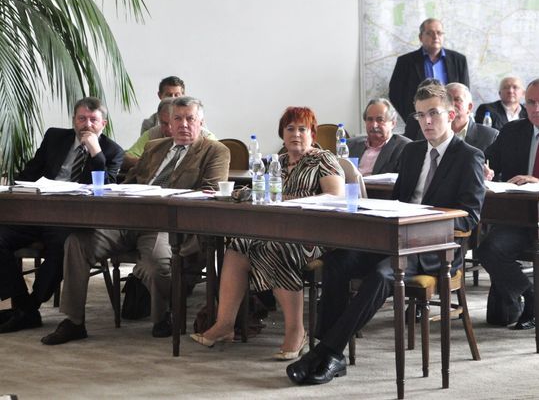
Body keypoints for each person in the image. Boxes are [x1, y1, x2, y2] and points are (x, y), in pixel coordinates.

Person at [286, 84, 485, 385]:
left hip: (435, 248)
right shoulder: (412, 151)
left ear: (451, 114)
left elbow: (470, 216)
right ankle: (329, 353)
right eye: (420, 115)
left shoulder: (469, 156)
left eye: (433, 113)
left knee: (383, 274)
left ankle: (327, 352)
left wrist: (425, 219)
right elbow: (398, 201)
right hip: (397, 239)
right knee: (337, 262)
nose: (427, 121)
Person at [41, 96, 230, 345]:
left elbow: (210, 193)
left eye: (190, 119)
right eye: (177, 118)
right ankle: (74, 321)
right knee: (77, 243)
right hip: (128, 220)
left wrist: (166, 198)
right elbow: (130, 181)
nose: (183, 124)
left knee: (155, 263)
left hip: (167, 224)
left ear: (201, 122)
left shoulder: (215, 151)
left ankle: (162, 317)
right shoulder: (154, 147)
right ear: (169, 123)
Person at [190, 107, 345, 360]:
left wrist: (288, 199)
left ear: (313, 134)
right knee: (237, 245)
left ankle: (296, 331)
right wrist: (232, 194)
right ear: (282, 134)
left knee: (275, 247)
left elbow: (335, 198)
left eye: (302, 129)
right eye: (290, 129)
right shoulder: (277, 162)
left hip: (314, 235)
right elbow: (260, 193)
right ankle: (225, 324)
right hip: (275, 231)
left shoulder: (323, 159)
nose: (296, 134)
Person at [0, 97, 124, 333]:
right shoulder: (55, 137)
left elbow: (106, 190)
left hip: (73, 218)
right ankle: (22, 304)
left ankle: (29, 308)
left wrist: (96, 153)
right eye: (81, 118)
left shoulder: (112, 151)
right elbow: (30, 173)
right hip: (37, 211)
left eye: (93, 120)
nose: (87, 124)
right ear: (74, 120)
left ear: (103, 124)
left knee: (64, 246)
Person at [476, 78, 539, 331]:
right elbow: (487, 160)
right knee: (488, 249)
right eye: (531, 102)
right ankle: (531, 296)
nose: (536, 108)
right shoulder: (513, 131)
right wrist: (485, 170)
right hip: (520, 218)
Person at [389, 18, 469, 121]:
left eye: (439, 33)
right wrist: (413, 118)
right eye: (430, 33)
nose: (435, 37)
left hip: (451, 121)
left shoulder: (459, 60)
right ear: (420, 37)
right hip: (419, 122)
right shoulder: (405, 62)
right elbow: (395, 94)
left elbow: (465, 93)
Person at [123, 97, 217, 171]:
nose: (169, 128)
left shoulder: (208, 139)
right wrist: (153, 165)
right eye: (164, 123)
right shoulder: (152, 136)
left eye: (189, 119)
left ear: (200, 122)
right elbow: (126, 158)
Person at [347, 98, 410, 176]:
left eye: (380, 120)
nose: (374, 125)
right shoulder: (350, 145)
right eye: (370, 119)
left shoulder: (405, 147)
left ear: (393, 123)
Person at [446, 83, 499, 153]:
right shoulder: (433, 133)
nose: (451, 103)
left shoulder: (490, 136)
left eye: (457, 99)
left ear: (469, 107)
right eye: (447, 99)